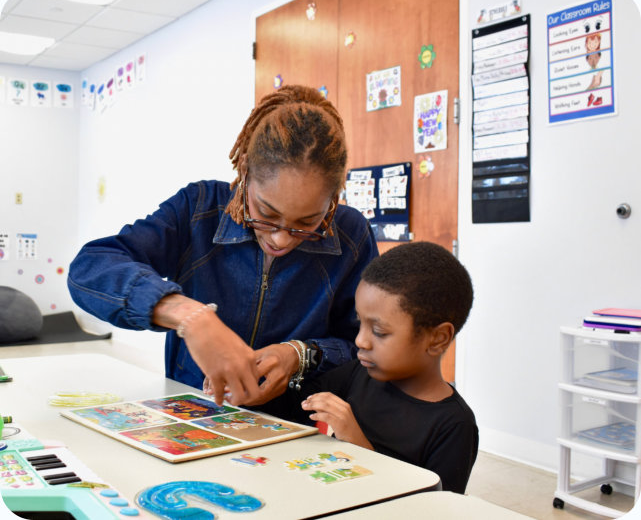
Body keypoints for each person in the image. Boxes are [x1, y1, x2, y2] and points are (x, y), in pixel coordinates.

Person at [67, 85, 378, 417]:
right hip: (189, 417)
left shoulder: (351, 235)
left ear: (334, 197)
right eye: (267, 214)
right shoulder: (197, 210)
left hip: (292, 432)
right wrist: (189, 316)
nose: (281, 239)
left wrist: (301, 355)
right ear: (244, 170)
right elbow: (89, 269)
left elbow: (368, 344)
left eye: (307, 222)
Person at [299, 241, 478, 493]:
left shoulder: (454, 426)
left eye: (379, 331)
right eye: (359, 323)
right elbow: (296, 401)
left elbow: (433, 510)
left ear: (437, 339)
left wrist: (356, 444)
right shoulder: (358, 374)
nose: (360, 340)